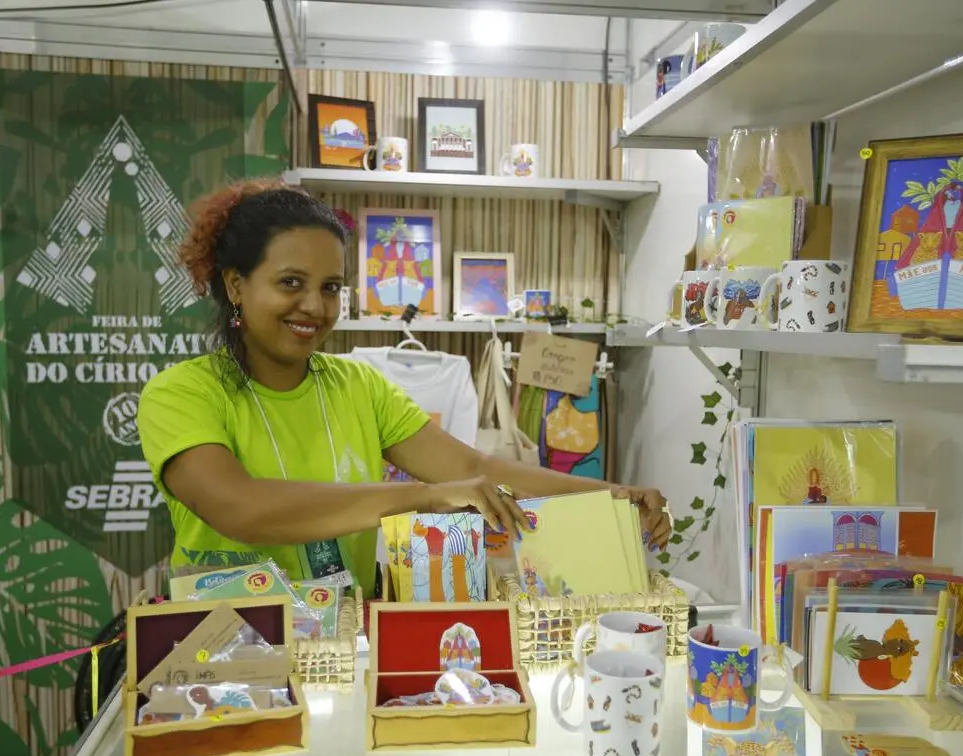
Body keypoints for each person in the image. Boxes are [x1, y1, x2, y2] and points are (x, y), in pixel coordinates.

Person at [137, 178, 673, 596]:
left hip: (346, 649)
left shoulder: (358, 386)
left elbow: (478, 472)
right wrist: (425, 496)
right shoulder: (180, 395)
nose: (314, 307)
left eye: (331, 288)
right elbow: (242, 510)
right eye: (290, 283)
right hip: (232, 657)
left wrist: (614, 497)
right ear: (236, 284)